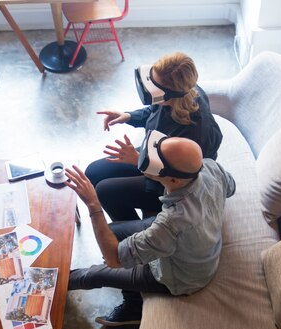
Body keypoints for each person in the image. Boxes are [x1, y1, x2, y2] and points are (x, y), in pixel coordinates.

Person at [65, 135, 235, 326]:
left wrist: (93, 205)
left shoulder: (172, 222)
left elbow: (113, 259)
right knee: (111, 231)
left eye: (154, 162)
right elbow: (230, 187)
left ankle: (132, 307)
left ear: (173, 179)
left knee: (93, 275)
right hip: (187, 244)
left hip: (180, 277)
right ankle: (132, 287)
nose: (146, 161)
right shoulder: (210, 166)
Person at [85, 52, 223, 222]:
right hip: (152, 153)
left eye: (154, 88)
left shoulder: (193, 136)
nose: (148, 89)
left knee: (105, 191)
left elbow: (180, 180)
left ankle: (131, 234)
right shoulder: (179, 94)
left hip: (168, 182)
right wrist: (128, 116)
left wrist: (137, 160)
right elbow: (153, 110)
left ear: (168, 94)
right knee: (93, 172)